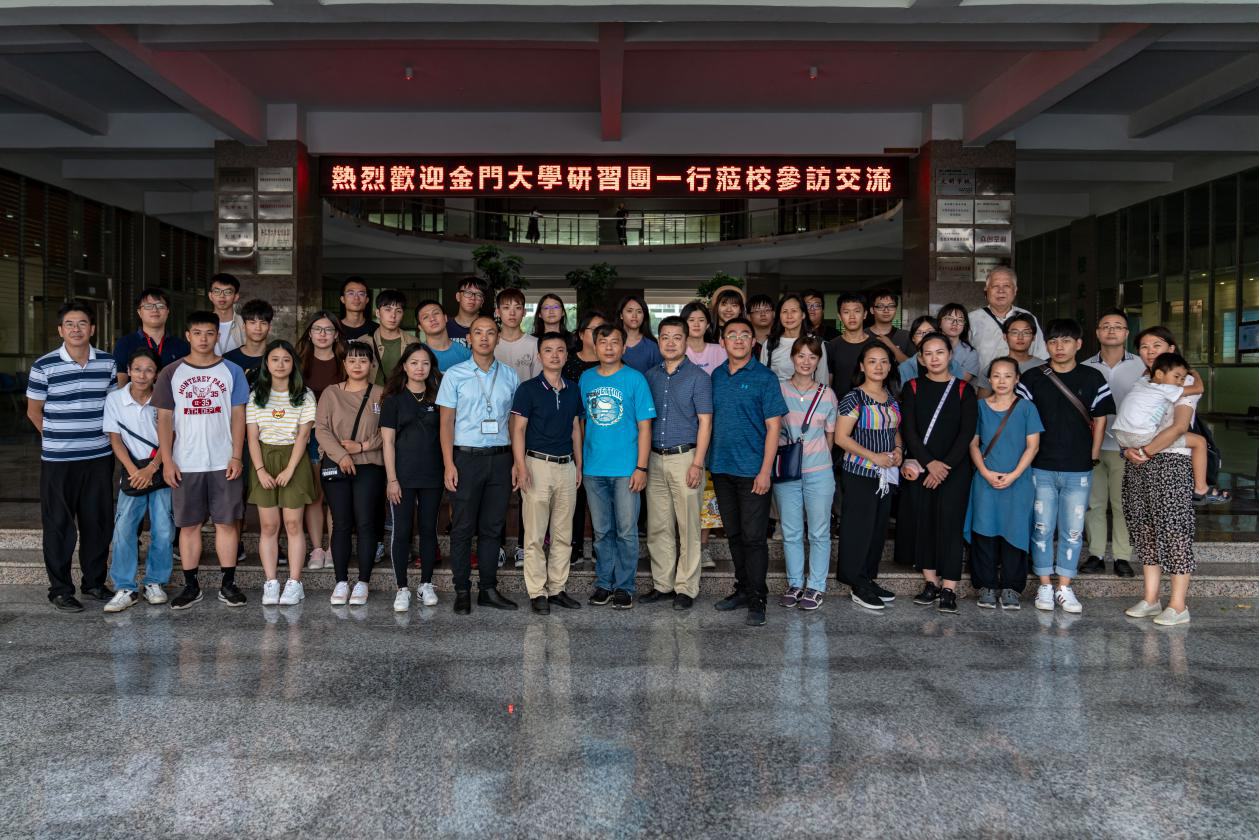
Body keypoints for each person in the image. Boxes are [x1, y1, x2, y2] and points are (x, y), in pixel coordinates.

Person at [154, 310, 249, 610]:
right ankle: (191, 586)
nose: (203, 339)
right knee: (189, 526)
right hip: (186, 462)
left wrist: (237, 455)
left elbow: (238, 416)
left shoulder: (232, 370)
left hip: (224, 461)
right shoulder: (171, 372)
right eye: (197, 333)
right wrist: (167, 461)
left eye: (209, 333)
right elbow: (164, 419)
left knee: (227, 524)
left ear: (217, 336)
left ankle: (228, 584)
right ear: (188, 336)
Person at [1018, 319, 1114, 614]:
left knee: (1073, 530)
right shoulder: (1032, 378)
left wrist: (1093, 453)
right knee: (1042, 527)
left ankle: (1065, 586)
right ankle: (1045, 585)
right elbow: (1021, 418)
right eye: (1053, 341)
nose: (1059, 347)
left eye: (1066, 341)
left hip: (1078, 467)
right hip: (1040, 466)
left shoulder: (1093, 377)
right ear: (1046, 345)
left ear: (1079, 344)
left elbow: (1100, 417)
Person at [27, 301, 118, 612]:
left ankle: (93, 583)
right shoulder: (44, 365)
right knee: (58, 524)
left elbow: (113, 406)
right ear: (60, 330)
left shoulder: (107, 362)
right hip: (58, 460)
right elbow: (34, 411)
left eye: (82, 323)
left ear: (92, 329)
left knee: (97, 522)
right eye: (69, 324)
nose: (76, 329)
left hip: (99, 456)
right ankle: (60, 590)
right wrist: (58, 438)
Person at [437, 315, 520, 614]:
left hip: (500, 458)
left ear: (498, 338)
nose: (484, 338)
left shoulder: (510, 376)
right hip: (466, 458)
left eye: (490, 333)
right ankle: (462, 589)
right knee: (462, 527)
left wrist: (516, 462)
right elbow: (446, 423)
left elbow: (515, 423)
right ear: (469, 338)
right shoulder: (454, 374)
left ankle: (488, 589)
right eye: (478, 332)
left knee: (492, 527)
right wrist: (449, 463)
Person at [1120, 326, 1201, 626]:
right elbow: (1130, 421)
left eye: (1157, 345)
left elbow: (1179, 426)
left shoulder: (1184, 380)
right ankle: (1151, 599)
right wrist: (1128, 450)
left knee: (1175, 531)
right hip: (1139, 462)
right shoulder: (1144, 381)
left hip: (1171, 462)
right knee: (1145, 530)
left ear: (1171, 348)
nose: (1149, 351)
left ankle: (1178, 605)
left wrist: (1146, 451)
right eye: (1143, 346)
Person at [709, 317, 787, 627]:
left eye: (744, 335)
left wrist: (765, 471)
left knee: (754, 538)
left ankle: (758, 598)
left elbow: (774, 427)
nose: (738, 339)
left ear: (753, 342)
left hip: (753, 471)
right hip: (721, 467)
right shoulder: (716, 376)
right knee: (734, 535)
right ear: (723, 342)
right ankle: (742, 589)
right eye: (732, 335)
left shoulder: (765, 378)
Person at [895, 332, 978, 614]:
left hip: (955, 470)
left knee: (951, 526)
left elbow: (966, 433)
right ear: (920, 358)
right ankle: (930, 582)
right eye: (928, 353)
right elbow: (909, 430)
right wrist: (929, 463)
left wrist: (943, 467)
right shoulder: (913, 387)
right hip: (922, 468)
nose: (934, 358)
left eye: (939, 352)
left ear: (950, 355)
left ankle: (949, 587)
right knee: (925, 523)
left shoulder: (964, 390)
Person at [580, 323, 655, 609]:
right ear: (595, 346)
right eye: (603, 342)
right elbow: (581, 423)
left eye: (614, 342)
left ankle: (624, 586)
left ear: (624, 347)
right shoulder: (586, 378)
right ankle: (603, 584)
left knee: (626, 531)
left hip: (626, 470)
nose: (609, 347)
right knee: (602, 531)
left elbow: (645, 427)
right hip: (594, 469)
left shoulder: (635, 379)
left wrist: (641, 467)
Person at [641, 316, 712, 610]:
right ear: (659, 341)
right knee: (658, 526)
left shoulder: (699, 377)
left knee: (688, 526)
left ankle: (686, 588)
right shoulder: (649, 376)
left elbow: (705, 422)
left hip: (686, 459)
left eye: (677, 337)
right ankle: (663, 584)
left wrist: (697, 463)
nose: (671, 343)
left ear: (686, 341)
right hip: (654, 458)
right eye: (665, 337)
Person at [511, 332, 585, 613]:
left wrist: (579, 464)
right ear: (539, 356)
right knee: (534, 534)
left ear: (566, 355)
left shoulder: (573, 389)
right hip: (537, 465)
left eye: (560, 350)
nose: (555, 355)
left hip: (567, 466)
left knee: (563, 533)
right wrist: (521, 467)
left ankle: (557, 588)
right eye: (549, 350)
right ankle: (537, 591)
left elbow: (576, 428)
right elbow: (518, 430)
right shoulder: (528, 389)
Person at [966, 357, 1042, 610]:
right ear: (989, 379)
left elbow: (1033, 446)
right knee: (984, 532)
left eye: (1008, 376)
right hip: (985, 480)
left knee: (1015, 533)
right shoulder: (979, 407)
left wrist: (1014, 475)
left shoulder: (1027, 408)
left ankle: (1011, 588)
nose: (1001, 381)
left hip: (1018, 482)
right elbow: (973, 444)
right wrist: (985, 473)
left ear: (1017, 379)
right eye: (996, 375)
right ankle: (986, 586)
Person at [246, 339, 317, 607]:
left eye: (286, 360)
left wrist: (289, 469)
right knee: (269, 525)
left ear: (293, 364)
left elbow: (303, 436)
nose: (280, 364)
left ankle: (295, 583)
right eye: (275, 359)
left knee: (293, 524)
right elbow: (252, 437)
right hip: (263, 458)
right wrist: (260, 470)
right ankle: (271, 581)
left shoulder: (304, 394)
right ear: (266, 363)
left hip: (294, 459)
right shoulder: (257, 394)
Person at [102, 348, 172, 612]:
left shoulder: (165, 398)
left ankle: (155, 582)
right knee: (124, 530)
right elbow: (115, 439)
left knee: (163, 529)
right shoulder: (115, 399)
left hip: (160, 470)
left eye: (149, 370)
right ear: (129, 371)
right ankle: (125, 587)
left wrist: (152, 468)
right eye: (138, 369)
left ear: (157, 374)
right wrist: (134, 471)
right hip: (133, 472)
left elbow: (171, 436)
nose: (143, 375)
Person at [315, 341, 385, 606]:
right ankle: (341, 581)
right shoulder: (331, 393)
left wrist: (362, 447)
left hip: (369, 465)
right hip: (337, 465)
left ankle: (363, 581)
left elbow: (387, 432)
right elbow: (321, 429)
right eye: (352, 360)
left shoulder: (380, 394)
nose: (357, 365)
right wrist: (342, 455)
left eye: (363, 360)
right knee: (341, 523)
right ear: (344, 364)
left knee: (366, 522)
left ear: (372, 365)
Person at [834, 343, 903, 611]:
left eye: (884, 361)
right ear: (862, 366)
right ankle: (856, 583)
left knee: (877, 529)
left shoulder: (891, 397)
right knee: (858, 529)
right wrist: (873, 457)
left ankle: (868, 578)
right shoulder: (854, 398)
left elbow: (895, 431)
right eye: (872, 361)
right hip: (860, 473)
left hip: (885, 475)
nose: (879, 366)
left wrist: (898, 450)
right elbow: (841, 438)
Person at [773, 336, 839, 611]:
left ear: (818, 361)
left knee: (819, 531)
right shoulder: (778, 390)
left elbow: (830, 436)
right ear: (792, 358)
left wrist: (819, 459)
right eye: (801, 355)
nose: (806, 361)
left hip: (819, 471)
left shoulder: (827, 394)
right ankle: (795, 583)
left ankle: (816, 586)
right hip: (787, 472)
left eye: (812, 357)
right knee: (791, 531)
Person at [382, 343, 444, 612]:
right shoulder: (393, 399)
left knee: (429, 530)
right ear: (404, 366)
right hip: (402, 477)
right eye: (414, 362)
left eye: (425, 363)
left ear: (431, 367)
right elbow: (387, 442)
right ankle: (402, 588)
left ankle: (426, 584)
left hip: (432, 475)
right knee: (402, 531)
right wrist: (392, 479)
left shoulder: (438, 397)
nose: (420, 368)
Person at [1079, 308, 1141, 576]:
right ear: (1097, 333)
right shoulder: (1084, 367)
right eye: (1106, 326)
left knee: (1121, 503)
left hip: (1126, 448)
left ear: (1126, 333)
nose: (1111, 330)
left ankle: (1121, 556)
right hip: (1091, 446)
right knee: (1093, 503)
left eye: (1117, 326)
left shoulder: (1142, 365)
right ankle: (1095, 554)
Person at [1111, 352, 1217, 500]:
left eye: (1183, 378)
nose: (1180, 382)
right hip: (1140, 437)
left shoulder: (1142, 382)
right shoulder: (1167, 388)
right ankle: (1201, 488)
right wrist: (1194, 373)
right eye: (1176, 376)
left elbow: (1147, 372)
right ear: (1159, 374)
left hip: (1120, 437)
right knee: (1199, 442)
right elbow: (1199, 388)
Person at [296, 310, 345, 571]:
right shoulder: (298, 362)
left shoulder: (346, 361)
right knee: (315, 494)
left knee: (335, 496)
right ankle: (317, 549)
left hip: (338, 437)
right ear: (310, 333)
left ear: (336, 334)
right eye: (317, 329)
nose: (322, 334)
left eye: (328, 329)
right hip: (307, 436)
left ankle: (334, 548)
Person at [563, 311, 605, 570]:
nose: (600, 335)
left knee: (601, 496)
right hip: (573, 434)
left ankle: (602, 546)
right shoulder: (568, 363)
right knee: (575, 493)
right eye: (593, 330)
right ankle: (575, 545)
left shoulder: (611, 362)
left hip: (604, 438)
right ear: (580, 334)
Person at [968, 266, 1049, 371]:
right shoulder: (972, 319)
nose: (1001, 291)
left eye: (1006, 286)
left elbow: (1041, 355)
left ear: (1015, 290)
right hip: (984, 381)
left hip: (1023, 380)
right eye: (995, 286)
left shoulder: (1027, 317)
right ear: (986, 290)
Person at [113, 287, 190, 385]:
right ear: (139, 312)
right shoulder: (124, 344)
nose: (155, 310)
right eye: (148, 306)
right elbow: (121, 384)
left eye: (160, 306)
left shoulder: (182, 347)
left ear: (167, 311)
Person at [760, 293, 828, 383]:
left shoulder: (816, 342)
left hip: (808, 392)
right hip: (776, 392)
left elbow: (822, 380)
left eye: (794, 311)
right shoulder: (770, 343)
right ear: (779, 316)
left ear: (803, 315)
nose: (789, 316)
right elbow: (762, 379)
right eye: (784, 311)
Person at [826, 292, 879, 394]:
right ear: (839, 316)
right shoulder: (831, 346)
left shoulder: (876, 345)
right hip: (840, 402)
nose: (852, 316)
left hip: (870, 402)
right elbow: (828, 382)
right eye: (846, 312)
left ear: (865, 314)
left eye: (857, 311)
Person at [897, 315, 972, 385]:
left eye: (930, 332)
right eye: (919, 333)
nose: (925, 336)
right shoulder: (904, 368)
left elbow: (959, 389)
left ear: (939, 334)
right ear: (913, 338)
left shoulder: (953, 365)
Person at [369, 289, 417, 385]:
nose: (393, 315)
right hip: (372, 393)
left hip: (402, 393)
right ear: (378, 313)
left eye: (398, 311)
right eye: (388, 310)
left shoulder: (413, 342)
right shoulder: (364, 341)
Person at [495, 287, 541, 384]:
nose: (512, 313)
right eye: (506, 308)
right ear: (498, 312)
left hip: (526, 394)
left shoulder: (535, 343)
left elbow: (537, 381)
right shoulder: (490, 342)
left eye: (518, 308)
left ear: (524, 312)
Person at [937, 302, 986, 393]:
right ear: (939, 323)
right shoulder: (929, 347)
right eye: (949, 318)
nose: (955, 323)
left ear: (964, 325)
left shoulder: (971, 353)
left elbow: (959, 381)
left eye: (960, 320)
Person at [223, 298, 274, 384]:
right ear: (243, 326)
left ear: (269, 327)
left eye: (263, 323)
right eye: (252, 323)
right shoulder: (228, 360)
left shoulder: (277, 358)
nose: (258, 328)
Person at [416, 298, 472, 372]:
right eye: (425, 317)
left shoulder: (466, 354)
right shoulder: (416, 356)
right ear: (420, 327)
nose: (432, 319)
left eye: (436, 313)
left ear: (445, 318)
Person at [617, 293, 662, 373]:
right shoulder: (611, 342)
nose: (634, 315)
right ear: (621, 315)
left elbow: (659, 375)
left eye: (639, 312)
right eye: (629, 311)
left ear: (644, 316)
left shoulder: (652, 346)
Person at [865, 289, 913, 364]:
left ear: (896, 309)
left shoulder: (906, 336)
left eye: (891, 306)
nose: (886, 310)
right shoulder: (862, 335)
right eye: (881, 306)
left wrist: (892, 347)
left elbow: (913, 367)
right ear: (872, 310)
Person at [681, 301, 727, 374]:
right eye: (691, 320)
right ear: (683, 325)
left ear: (707, 325)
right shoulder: (677, 351)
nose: (696, 324)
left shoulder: (721, 350)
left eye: (701, 320)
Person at [207, 273, 245, 356]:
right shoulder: (201, 324)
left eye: (228, 292)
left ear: (236, 297)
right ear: (210, 296)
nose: (222, 296)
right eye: (217, 291)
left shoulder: (245, 324)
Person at [446, 277, 487, 343]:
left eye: (478, 295)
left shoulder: (489, 328)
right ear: (458, 297)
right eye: (468, 292)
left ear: (482, 302)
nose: (473, 298)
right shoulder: (444, 327)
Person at [339, 276, 377, 342]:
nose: (356, 298)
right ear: (343, 299)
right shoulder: (334, 328)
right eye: (351, 293)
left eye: (361, 294)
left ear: (367, 300)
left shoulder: (377, 330)